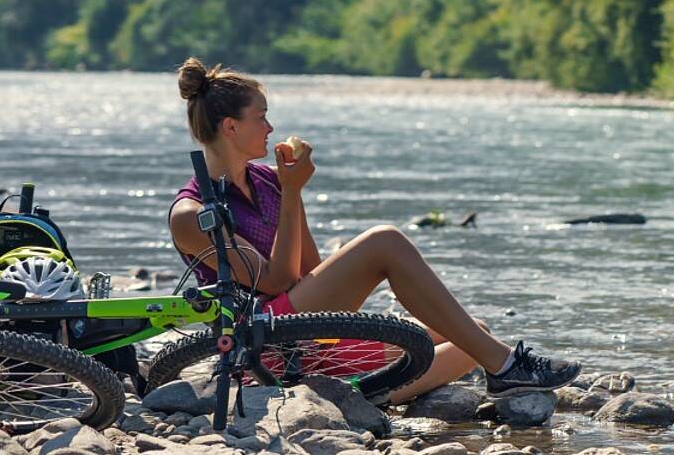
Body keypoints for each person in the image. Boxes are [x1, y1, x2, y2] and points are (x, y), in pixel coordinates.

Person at [167, 58, 581, 401]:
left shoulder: (269, 181)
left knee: (473, 338)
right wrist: (293, 194)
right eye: (262, 117)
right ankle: (508, 366)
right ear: (230, 127)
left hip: (305, 329)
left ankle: (368, 393)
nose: (271, 128)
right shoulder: (192, 213)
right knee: (385, 241)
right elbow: (276, 280)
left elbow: (307, 270)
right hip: (260, 344)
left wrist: (291, 192)